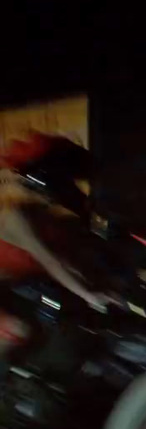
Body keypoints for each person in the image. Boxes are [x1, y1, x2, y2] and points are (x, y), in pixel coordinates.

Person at [0, 133, 110, 366]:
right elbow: (50, 261)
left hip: (20, 289)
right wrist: (88, 294)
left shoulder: (46, 214)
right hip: (7, 295)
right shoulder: (16, 215)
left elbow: (63, 260)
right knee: (17, 331)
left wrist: (94, 289)